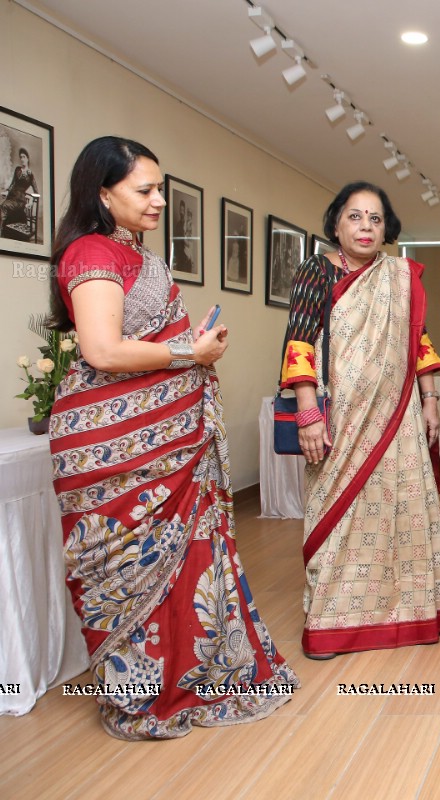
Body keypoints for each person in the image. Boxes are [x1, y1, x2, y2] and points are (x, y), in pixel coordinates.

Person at [47, 136, 298, 739]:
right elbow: (102, 350)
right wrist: (190, 350)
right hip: (117, 448)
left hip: (171, 446)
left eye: (160, 187)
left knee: (188, 560)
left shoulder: (142, 257)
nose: (159, 200)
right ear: (103, 194)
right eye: (145, 190)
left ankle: (194, 672)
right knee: (126, 569)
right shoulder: (90, 253)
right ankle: (138, 693)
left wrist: (193, 351)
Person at [281, 181, 440, 658]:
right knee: (337, 513)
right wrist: (308, 412)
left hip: (398, 416)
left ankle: (410, 611)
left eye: (375, 219)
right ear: (336, 223)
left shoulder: (399, 275)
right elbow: (299, 343)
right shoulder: (315, 270)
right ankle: (332, 620)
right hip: (339, 419)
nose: (366, 227)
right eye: (355, 216)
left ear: (388, 228)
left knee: (402, 510)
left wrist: (430, 399)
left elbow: (418, 341)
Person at [1, 146, 39, 238]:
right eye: (21, 157)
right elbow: (13, 183)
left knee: (3, 206)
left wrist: (30, 201)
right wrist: (6, 192)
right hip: (12, 196)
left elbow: (36, 192)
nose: (22, 159)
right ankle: (4, 231)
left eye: (24, 157)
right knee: (2, 203)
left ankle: (1, 231)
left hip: (20, 200)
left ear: (28, 158)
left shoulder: (30, 175)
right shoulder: (18, 169)